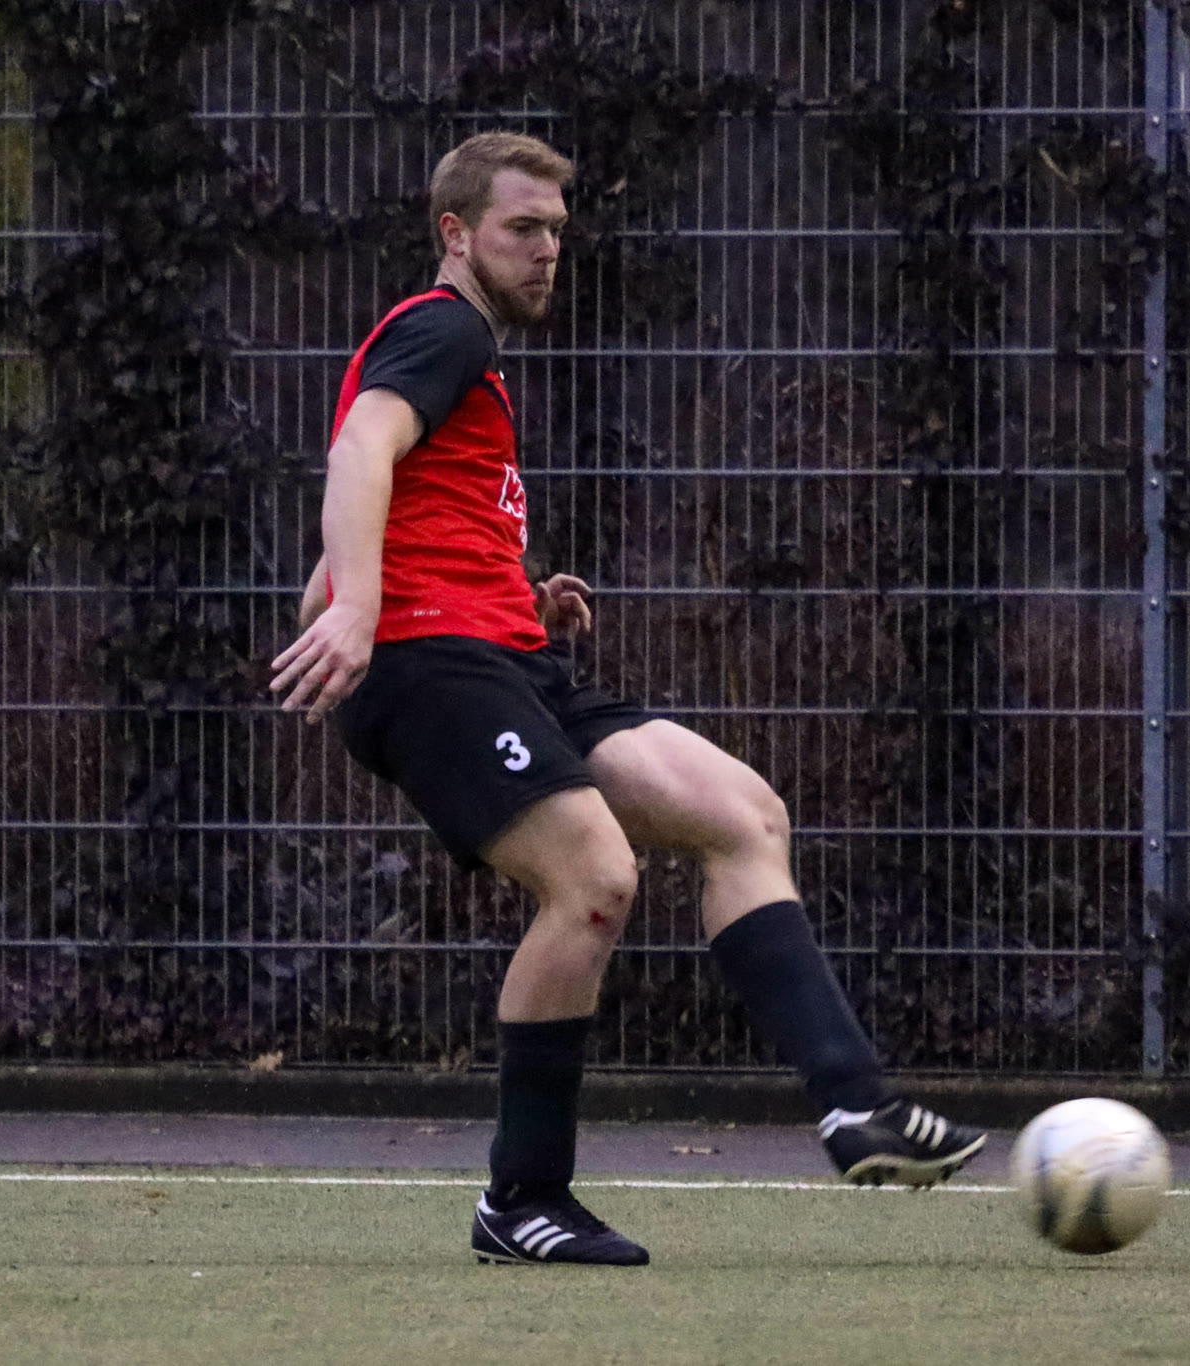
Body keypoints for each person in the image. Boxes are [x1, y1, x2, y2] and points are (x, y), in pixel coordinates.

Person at [269, 131, 984, 1268]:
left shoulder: (467, 362)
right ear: (456, 234)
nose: (547, 249)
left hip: (504, 655)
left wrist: (508, 591)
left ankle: (856, 1105)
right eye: (522, 227)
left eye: (557, 230)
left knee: (741, 814)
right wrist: (361, 611)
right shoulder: (443, 327)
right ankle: (523, 1198)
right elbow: (360, 448)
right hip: (433, 663)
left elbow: (375, 523)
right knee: (593, 878)